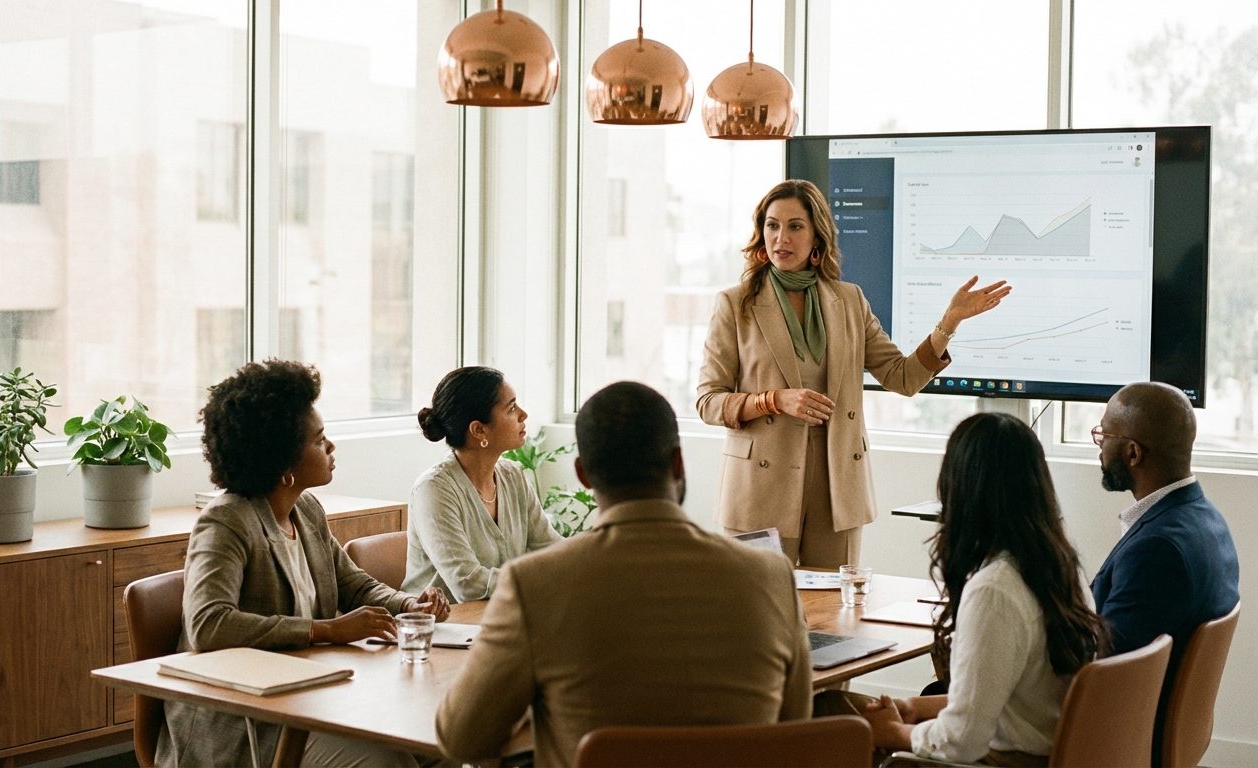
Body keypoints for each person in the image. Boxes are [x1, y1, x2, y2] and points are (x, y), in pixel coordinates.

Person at [436, 381, 812, 767]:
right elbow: (796, 724)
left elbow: (461, 740)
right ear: (678, 463)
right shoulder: (771, 574)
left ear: (584, 475)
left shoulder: (534, 585)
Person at [696, 179, 1011, 567]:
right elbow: (708, 401)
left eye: (795, 226)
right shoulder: (735, 304)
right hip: (759, 489)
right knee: (759, 612)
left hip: (836, 488)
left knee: (833, 615)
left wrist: (950, 322)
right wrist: (774, 399)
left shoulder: (848, 300)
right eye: (772, 225)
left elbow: (903, 377)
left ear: (817, 237)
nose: (782, 237)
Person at [157, 359, 450, 768]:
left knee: (444, 747)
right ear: (283, 463)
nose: (331, 447)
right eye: (319, 440)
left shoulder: (305, 509)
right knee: (390, 763)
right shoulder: (226, 521)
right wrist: (325, 630)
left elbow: (354, 585)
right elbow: (210, 625)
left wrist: (408, 605)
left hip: (309, 699)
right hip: (246, 723)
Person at [861, 412, 1108, 766]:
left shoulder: (994, 591)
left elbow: (961, 743)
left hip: (1004, 762)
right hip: (1047, 752)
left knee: (834, 722)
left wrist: (893, 733)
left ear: (960, 489)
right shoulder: (1063, 566)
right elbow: (1011, 696)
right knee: (841, 713)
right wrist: (914, 707)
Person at [1090, 381, 1239, 759]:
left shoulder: (1157, 550)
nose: (1100, 446)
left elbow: (1105, 675)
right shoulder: (1207, 521)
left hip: (1120, 745)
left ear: (1133, 453)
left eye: (1103, 434)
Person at [404, 366, 561, 602]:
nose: (523, 414)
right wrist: (539, 578)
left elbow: (552, 549)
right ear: (479, 430)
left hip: (497, 617)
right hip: (439, 629)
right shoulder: (434, 490)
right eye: (511, 408)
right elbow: (468, 584)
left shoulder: (512, 475)